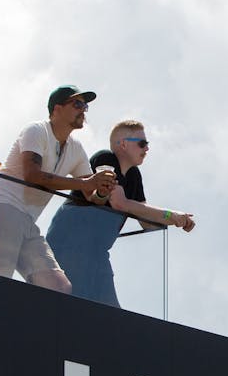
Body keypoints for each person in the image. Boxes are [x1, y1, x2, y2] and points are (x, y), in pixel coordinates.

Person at [0, 85, 116, 289]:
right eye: (77, 103)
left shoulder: (76, 148)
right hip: (1, 204)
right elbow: (33, 176)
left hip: (27, 219)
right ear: (57, 108)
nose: (83, 110)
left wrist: (102, 191)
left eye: (85, 106)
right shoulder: (36, 130)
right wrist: (86, 183)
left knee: (58, 286)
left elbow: (91, 196)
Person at [45, 119, 195, 307]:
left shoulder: (133, 176)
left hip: (96, 254)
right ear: (123, 144)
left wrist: (172, 219)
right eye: (142, 143)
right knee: (75, 310)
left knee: (112, 317)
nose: (147, 149)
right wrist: (170, 215)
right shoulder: (106, 159)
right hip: (69, 245)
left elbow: (145, 221)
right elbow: (119, 203)